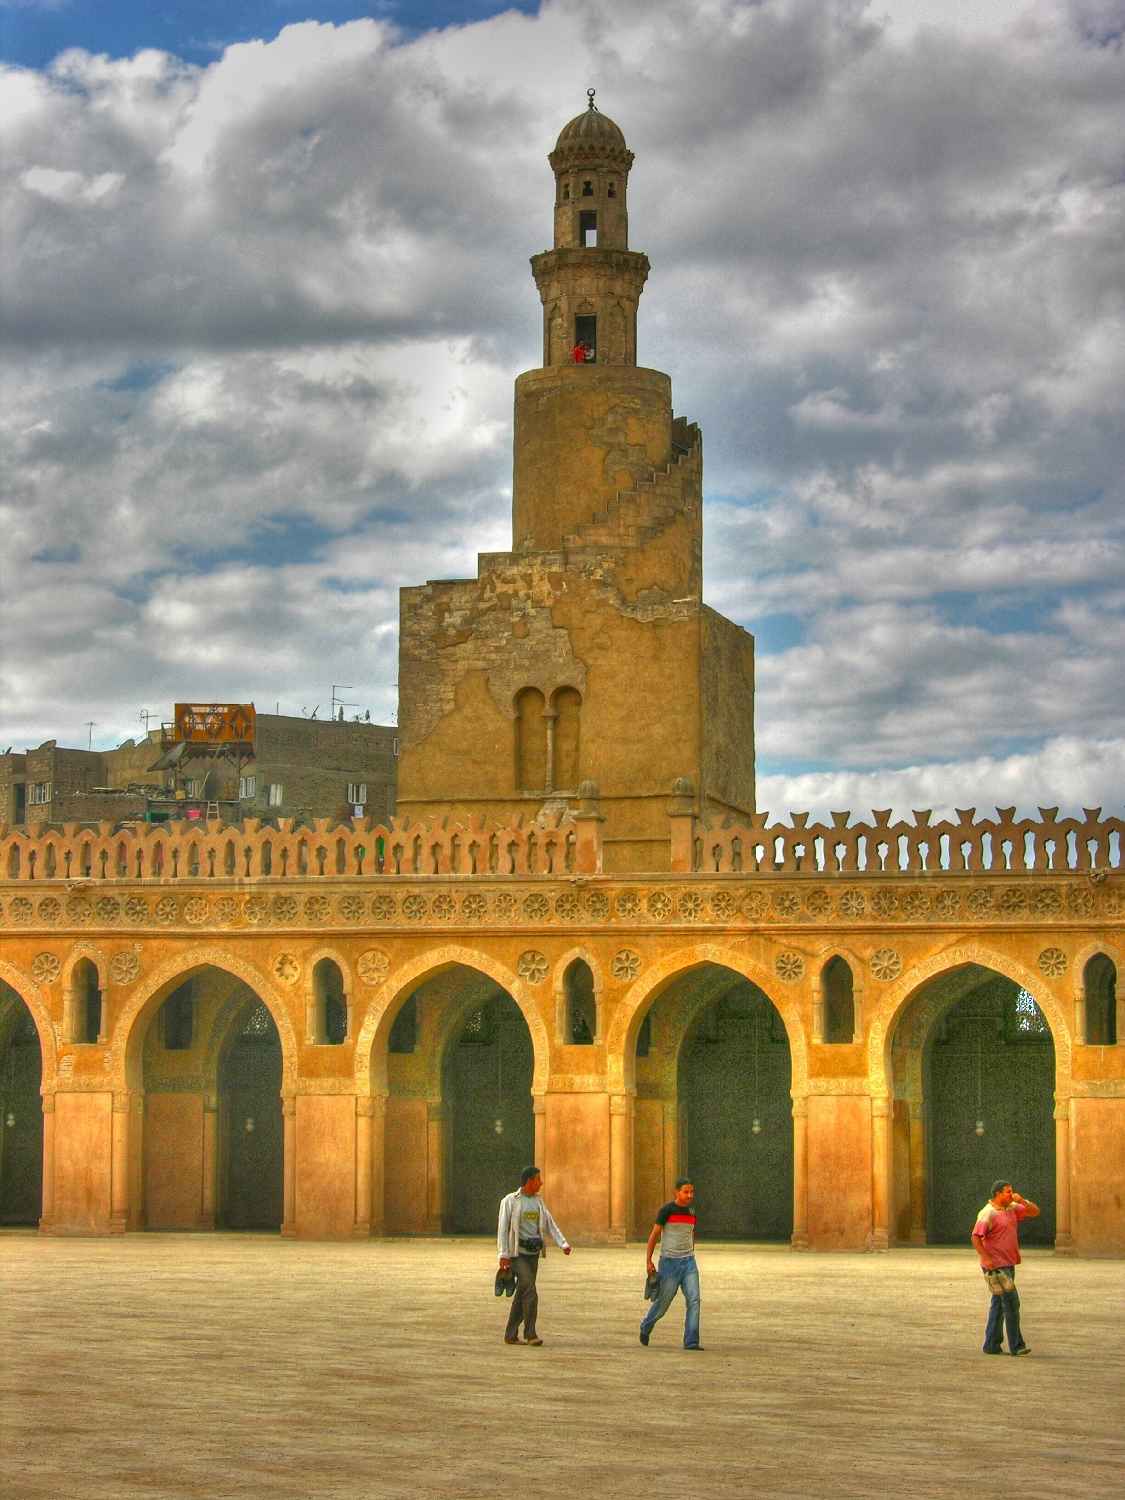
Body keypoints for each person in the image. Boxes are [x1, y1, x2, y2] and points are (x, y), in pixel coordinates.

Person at [497, 1166, 571, 1346]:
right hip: (517, 1255)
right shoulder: (510, 1201)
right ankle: (531, 1334)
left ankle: (510, 1334)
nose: (541, 1182)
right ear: (529, 1181)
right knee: (530, 1291)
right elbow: (502, 1229)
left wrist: (563, 1243)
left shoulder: (538, 1202)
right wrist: (503, 1254)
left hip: (533, 1255)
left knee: (522, 1292)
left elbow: (549, 1223)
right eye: (538, 1179)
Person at [971, 1179, 1039, 1356]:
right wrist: (985, 1258)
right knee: (1011, 1303)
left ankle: (991, 1344)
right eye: (1008, 1191)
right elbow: (976, 1237)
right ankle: (1017, 1345)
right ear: (998, 1194)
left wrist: (1022, 1200)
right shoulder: (988, 1213)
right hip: (996, 1266)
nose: (1012, 1194)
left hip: (1008, 1263)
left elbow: (1034, 1212)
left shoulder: (1012, 1208)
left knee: (999, 1304)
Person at [640, 1178, 702, 1351]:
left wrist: (690, 1250)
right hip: (669, 1263)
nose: (690, 1195)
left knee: (694, 1300)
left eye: (692, 1192)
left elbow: (691, 1233)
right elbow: (654, 1235)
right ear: (677, 1192)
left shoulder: (691, 1210)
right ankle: (646, 1326)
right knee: (663, 1303)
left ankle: (691, 1341)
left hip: (689, 1262)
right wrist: (648, 1260)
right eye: (686, 1192)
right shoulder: (666, 1210)